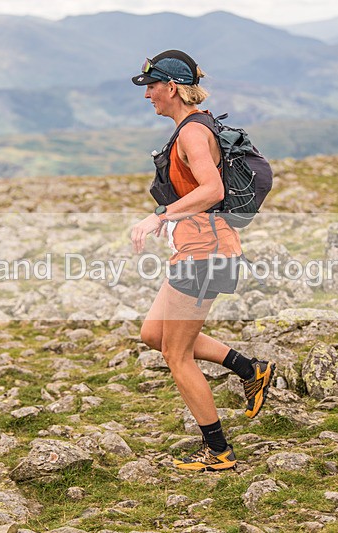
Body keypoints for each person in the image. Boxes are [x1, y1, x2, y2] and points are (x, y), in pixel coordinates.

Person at [130, 50, 275, 472]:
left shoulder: (193, 133)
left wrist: (161, 215)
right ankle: (250, 368)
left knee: (176, 356)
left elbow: (211, 190)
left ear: (171, 88)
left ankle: (219, 453)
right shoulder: (194, 125)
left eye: (152, 87)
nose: (149, 96)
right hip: (200, 250)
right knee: (154, 334)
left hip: (205, 255)